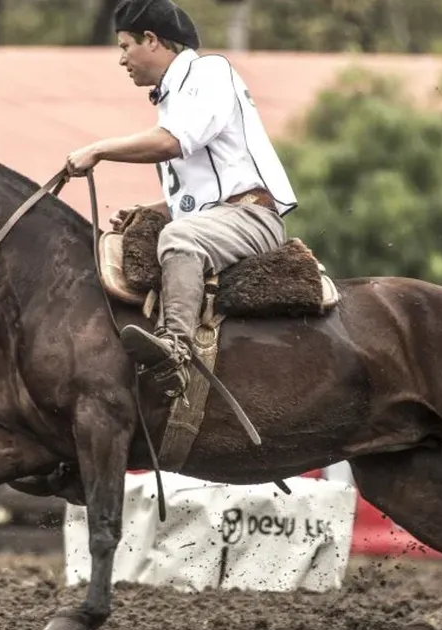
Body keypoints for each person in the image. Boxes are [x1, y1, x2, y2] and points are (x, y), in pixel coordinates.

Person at [64, 0, 297, 397]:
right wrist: (151, 210)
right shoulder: (175, 95)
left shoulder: (208, 72)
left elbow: (171, 142)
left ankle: (175, 350)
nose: (121, 59)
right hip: (225, 217)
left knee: (180, 239)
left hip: (252, 218)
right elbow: (198, 198)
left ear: (151, 40)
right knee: (159, 231)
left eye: (124, 46)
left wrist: (99, 149)